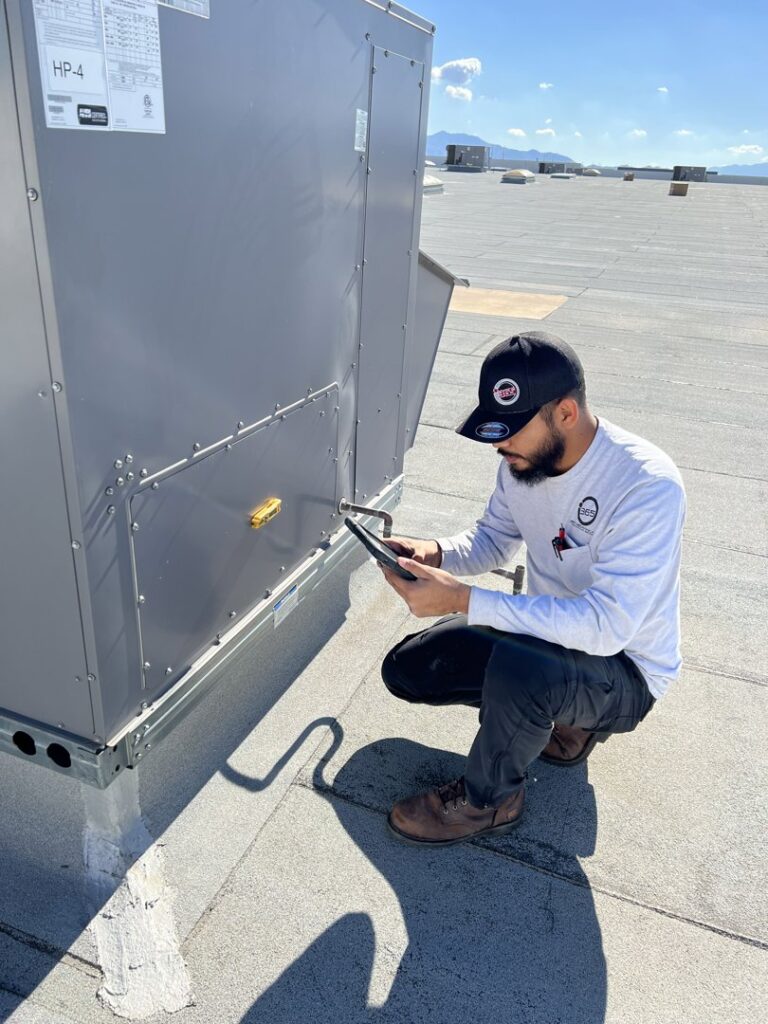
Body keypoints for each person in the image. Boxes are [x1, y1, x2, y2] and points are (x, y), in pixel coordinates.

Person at [378, 331, 686, 847]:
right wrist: (434, 552)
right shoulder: (522, 463)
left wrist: (464, 600)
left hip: (626, 670)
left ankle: (489, 801)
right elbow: (493, 539)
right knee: (412, 667)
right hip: (549, 637)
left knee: (525, 670)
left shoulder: (646, 485)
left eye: (513, 431)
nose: (501, 445)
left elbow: (607, 626)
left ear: (565, 413)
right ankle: (552, 716)